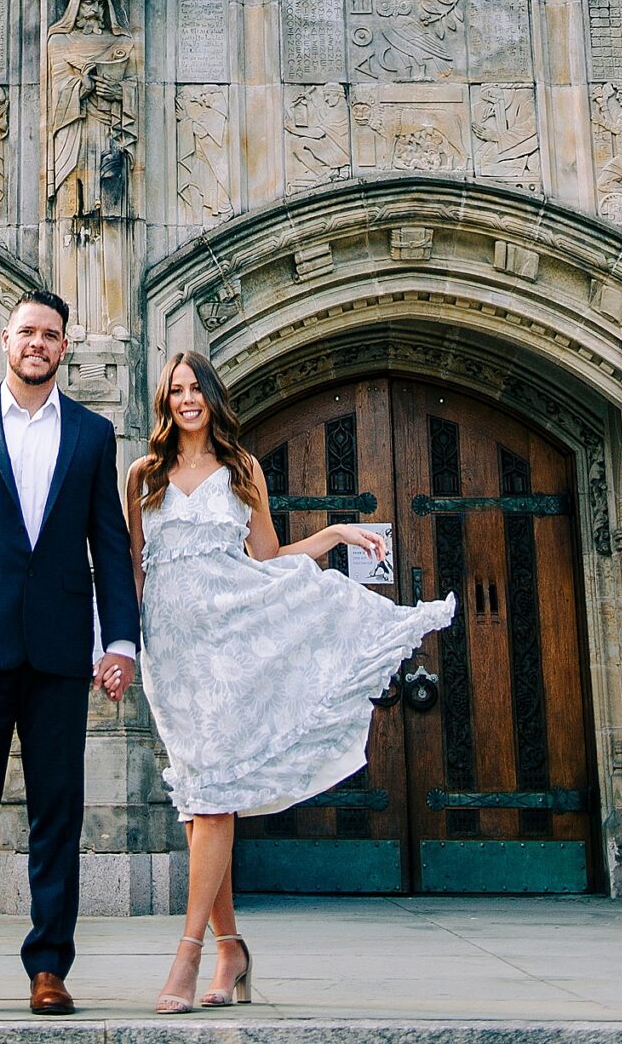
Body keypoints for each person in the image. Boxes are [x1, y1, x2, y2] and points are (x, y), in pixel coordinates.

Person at [127, 352, 457, 1014]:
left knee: (213, 798)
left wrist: (333, 532)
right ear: (164, 402)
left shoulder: (241, 469)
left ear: (212, 397)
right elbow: (131, 566)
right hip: (171, 653)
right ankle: (231, 952)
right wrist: (123, 647)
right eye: (175, 391)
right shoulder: (142, 474)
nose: (186, 399)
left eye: (195, 389)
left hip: (228, 643)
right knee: (198, 804)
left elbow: (268, 557)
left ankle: (187, 958)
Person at [0, 288, 139, 1017]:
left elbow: (109, 543)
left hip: (59, 650)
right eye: (25, 332)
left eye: (49, 334)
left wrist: (121, 641)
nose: (36, 343)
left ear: (63, 347)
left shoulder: (91, 434)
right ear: (5, 343)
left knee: (56, 815)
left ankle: (48, 967)